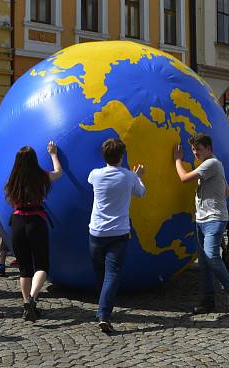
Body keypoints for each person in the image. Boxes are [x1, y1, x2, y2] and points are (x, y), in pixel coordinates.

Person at [173, 134, 229, 314]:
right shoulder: (213, 164)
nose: (195, 153)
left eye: (198, 149)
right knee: (204, 263)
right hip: (202, 219)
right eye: (193, 150)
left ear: (209, 149)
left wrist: (177, 160)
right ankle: (208, 301)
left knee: (211, 256)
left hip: (214, 219)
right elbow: (226, 190)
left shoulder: (211, 164)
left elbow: (184, 178)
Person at [87, 138, 146, 333]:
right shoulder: (129, 177)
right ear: (122, 156)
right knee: (112, 273)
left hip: (96, 232)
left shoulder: (95, 175)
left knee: (99, 271)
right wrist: (138, 176)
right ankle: (104, 314)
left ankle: (102, 305)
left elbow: (92, 182)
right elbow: (141, 193)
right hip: (119, 232)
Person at [5, 142, 62, 321]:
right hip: (36, 222)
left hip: (17, 223)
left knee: (24, 269)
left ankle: (26, 305)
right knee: (42, 266)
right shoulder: (41, 177)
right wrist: (53, 154)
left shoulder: (12, 181)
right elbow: (58, 172)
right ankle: (32, 299)